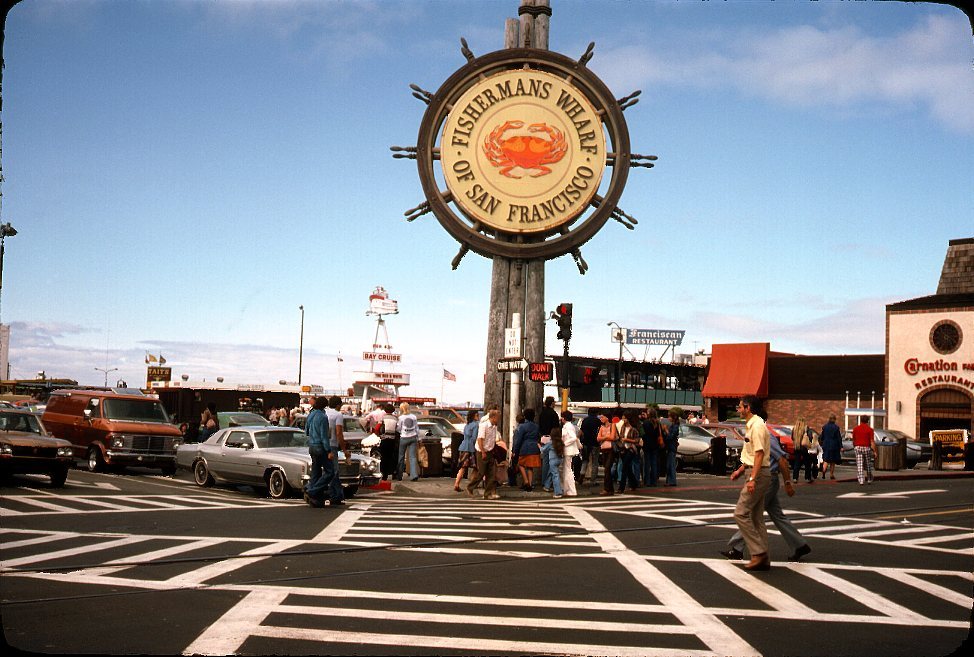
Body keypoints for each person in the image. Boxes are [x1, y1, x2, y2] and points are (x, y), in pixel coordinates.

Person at [722, 421, 811, 563]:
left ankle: (737, 547)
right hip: (766, 479)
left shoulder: (766, 436)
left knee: (750, 514)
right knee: (777, 515)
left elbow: (781, 459)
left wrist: (788, 482)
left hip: (767, 480)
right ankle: (799, 545)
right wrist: (739, 470)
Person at [732, 396, 772, 571]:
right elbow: (752, 454)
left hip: (758, 474)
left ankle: (758, 553)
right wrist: (741, 470)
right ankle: (763, 557)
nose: (738, 409)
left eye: (740, 407)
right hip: (757, 472)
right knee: (756, 517)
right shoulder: (754, 425)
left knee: (740, 513)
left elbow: (759, 454)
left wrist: (752, 479)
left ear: (748, 408)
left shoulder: (756, 426)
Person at [467, 409, 502, 500]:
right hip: (481, 451)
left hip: (490, 451)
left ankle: (487, 493)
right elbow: (480, 440)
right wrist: (482, 452)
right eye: (497, 418)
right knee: (481, 472)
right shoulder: (484, 426)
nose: (498, 420)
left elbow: (492, 439)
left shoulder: (494, 427)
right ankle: (470, 487)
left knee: (491, 473)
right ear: (493, 417)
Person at [303, 397, 330, 508]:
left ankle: (314, 497)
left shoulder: (311, 415)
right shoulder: (323, 417)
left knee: (316, 472)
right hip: (320, 447)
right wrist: (328, 450)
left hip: (312, 446)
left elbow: (306, 431)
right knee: (330, 471)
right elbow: (324, 436)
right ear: (324, 406)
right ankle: (312, 490)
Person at [323, 395, 348, 506]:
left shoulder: (325, 413)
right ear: (338, 405)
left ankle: (338, 495)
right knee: (334, 471)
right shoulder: (338, 415)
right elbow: (339, 433)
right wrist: (344, 449)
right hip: (332, 445)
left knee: (327, 470)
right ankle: (335, 495)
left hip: (322, 445)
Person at [513, 408, 541, 491]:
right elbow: (538, 437)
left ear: (525, 416)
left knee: (520, 464)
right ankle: (530, 483)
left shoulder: (522, 426)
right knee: (530, 466)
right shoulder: (536, 426)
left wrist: (515, 450)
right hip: (534, 448)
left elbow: (518, 440)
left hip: (525, 447)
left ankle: (526, 482)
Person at [454, 410, 480, 492]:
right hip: (470, 448)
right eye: (477, 415)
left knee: (463, 467)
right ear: (474, 416)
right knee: (476, 467)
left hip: (463, 446)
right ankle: (471, 484)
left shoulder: (467, 425)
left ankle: (456, 484)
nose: (478, 416)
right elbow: (474, 438)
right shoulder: (476, 425)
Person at [617, 410, 641, 493]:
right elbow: (620, 438)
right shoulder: (623, 428)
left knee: (624, 467)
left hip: (631, 449)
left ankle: (621, 487)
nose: (623, 420)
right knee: (628, 468)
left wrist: (627, 440)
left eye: (625, 419)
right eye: (623, 419)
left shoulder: (634, 429)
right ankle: (634, 483)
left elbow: (637, 440)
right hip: (623, 449)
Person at [396, 402, 420, 481]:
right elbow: (417, 428)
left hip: (404, 438)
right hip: (413, 438)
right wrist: (417, 436)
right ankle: (414, 475)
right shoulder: (413, 417)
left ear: (401, 408)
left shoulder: (401, 418)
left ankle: (399, 476)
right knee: (412, 457)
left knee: (401, 457)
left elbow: (399, 429)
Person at [852, 415, 877, 485]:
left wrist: (855, 445)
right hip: (866, 447)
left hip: (858, 447)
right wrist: (875, 451)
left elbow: (853, 439)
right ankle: (869, 478)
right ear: (868, 421)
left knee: (859, 464)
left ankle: (861, 480)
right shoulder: (870, 429)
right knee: (868, 464)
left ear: (860, 420)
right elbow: (872, 441)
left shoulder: (855, 429)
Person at [641, 408, 663, 486]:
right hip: (655, 445)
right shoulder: (658, 423)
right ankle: (654, 481)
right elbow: (659, 434)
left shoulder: (646, 423)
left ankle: (647, 481)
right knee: (654, 463)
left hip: (647, 444)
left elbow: (643, 434)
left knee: (647, 464)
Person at [579, 407, 601, 486]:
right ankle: (593, 480)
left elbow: (581, 431)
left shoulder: (585, 420)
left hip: (586, 443)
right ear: (596, 413)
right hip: (595, 443)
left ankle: (582, 473)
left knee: (585, 460)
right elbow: (599, 431)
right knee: (595, 462)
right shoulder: (598, 421)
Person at [598, 415, 618, 496]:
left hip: (611, 449)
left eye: (602, 417)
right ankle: (610, 489)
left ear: (607, 417)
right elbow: (598, 438)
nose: (601, 419)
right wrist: (607, 437)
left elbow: (613, 437)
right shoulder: (601, 427)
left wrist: (604, 437)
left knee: (607, 468)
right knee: (607, 469)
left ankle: (607, 489)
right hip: (604, 449)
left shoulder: (612, 425)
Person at [560, 411, 579, 497]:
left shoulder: (568, 427)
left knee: (568, 471)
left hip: (568, 450)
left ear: (564, 418)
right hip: (569, 450)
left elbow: (573, 437)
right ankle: (567, 490)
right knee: (567, 470)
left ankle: (571, 490)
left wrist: (565, 443)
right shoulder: (569, 426)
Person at [378, 403, 399, 481]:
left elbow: (377, 428)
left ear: (385, 410)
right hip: (392, 440)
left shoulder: (383, 418)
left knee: (383, 457)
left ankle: (384, 474)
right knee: (391, 457)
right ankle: (392, 472)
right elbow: (398, 429)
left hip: (384, 440)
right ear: (393, 410)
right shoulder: (395, 418)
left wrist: (379, 436)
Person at [820, 414, 843, 480]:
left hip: (826, 445)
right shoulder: (836, 427)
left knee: (826, 459)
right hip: (834, 445)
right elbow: (839, 438)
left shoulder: (825, 427)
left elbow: (822, 436)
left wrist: (822, 443)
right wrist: (841, 446)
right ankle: (831, 474)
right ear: (834, 419)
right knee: (833, 461)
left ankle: (824, 471)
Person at [791, 416, 811, 482]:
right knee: (807, 463)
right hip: (804, 448)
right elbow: (810, 437)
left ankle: (795, 478)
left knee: (796, 463)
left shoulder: (794, 428)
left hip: (796, 447)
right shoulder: (806, 428)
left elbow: (792, 438)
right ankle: (807, 478)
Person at [664, 409, 681, 486]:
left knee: (671, 464)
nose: (668, 418)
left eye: (669, 416)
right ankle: (669, 481)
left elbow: (671, 436)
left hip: (671, 446)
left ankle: (672, 481)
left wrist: (666, 431)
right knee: (669, 464)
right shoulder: (673, 425)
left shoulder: (675, 426)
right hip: (670, 446)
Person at [548, 427, 564, 498]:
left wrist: (539, 445)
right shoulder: (561, 442)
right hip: (560, 460)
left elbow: (543, 449)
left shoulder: (551, 443)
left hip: (552, 460)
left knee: (555, 476)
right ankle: (547, 485)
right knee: (557, 475)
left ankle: (558, 492)